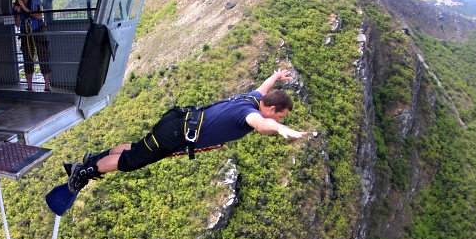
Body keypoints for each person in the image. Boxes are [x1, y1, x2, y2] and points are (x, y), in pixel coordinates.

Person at [67, 69, 309, 193]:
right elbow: (261, 125)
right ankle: (84, 171)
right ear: (273, 109)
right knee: (131, 160)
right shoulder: (250, 114)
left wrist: (275, 76)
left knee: (136, 148)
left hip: (179, 121)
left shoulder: (254, 99)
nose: (278, 118)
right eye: (280, 115)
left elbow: (263, 88)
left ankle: (95, 159)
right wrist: (280, 128)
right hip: (175, 134)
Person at [13, 0, 51, 91]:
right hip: (26, 33)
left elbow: (39, 15)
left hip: (38, 30)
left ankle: (47, 86)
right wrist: (17, 13)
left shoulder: (35, 0)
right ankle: (29, 86)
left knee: (43, 56)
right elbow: (17, 24)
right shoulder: (17, 4)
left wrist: (25, 9)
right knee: (27, 58)